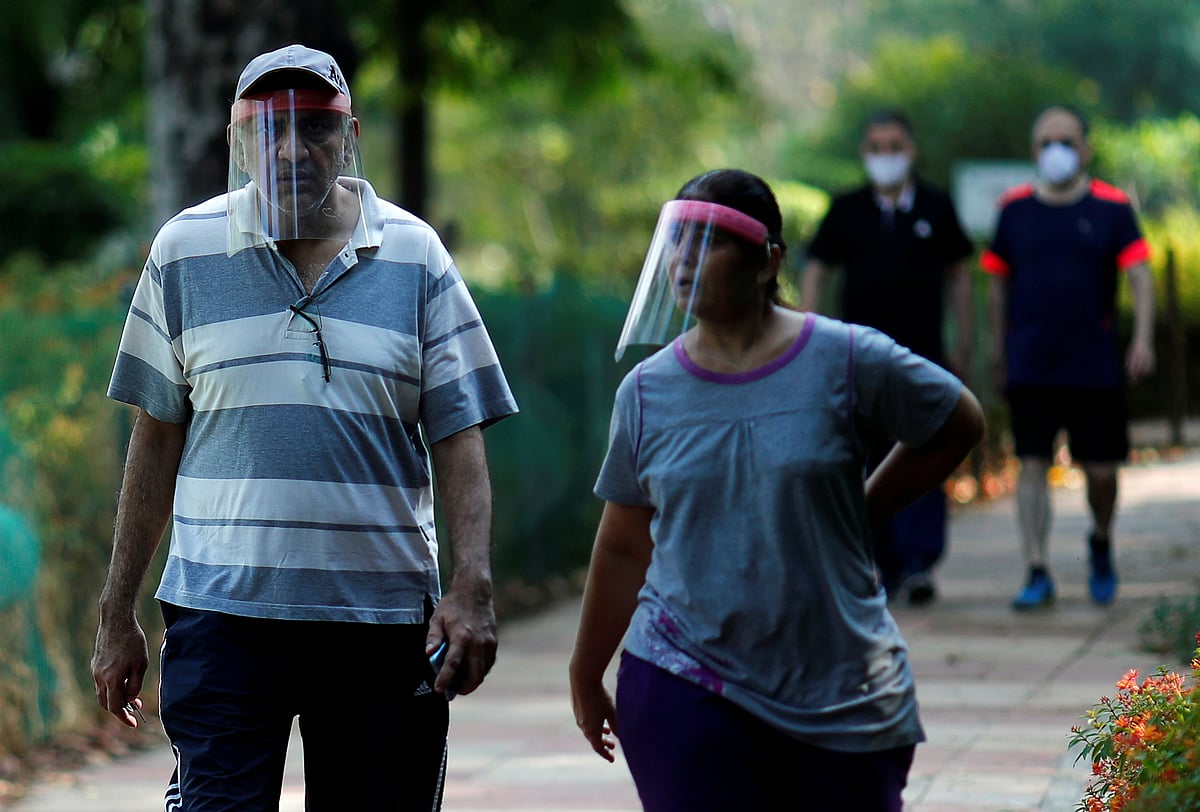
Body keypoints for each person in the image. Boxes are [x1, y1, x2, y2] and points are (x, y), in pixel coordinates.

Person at [89, 44, 518, 811]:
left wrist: (471, 588)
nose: (292, 148)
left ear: (347, 137)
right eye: (269, 130)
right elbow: (155, 437)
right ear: (241, 143)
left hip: (380, 622)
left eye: (314, 128)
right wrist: (116, 613)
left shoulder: (415, 255)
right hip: (223, 614)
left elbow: (459, 434)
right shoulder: (185, 250)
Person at [570, 169, 985, 810]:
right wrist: (585, 669)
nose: (685, 260)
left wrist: (863, 509)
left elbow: (956, 422)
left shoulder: (846, 358)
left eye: (709, 242)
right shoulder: (646, 393)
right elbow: (625, 545)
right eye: (677, 241)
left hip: (841, 685)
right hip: (683, 676)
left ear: (769, 261)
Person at [982, 104, 1154, 611]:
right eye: (1045, 142)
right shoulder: (1014, 209)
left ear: (1085, 147)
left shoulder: (1112, 207)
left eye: (1066, 141)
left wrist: (1141, 339)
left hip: (1094, 363)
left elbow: (1140, 275)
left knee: (1102, 472)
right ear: (1034, 150)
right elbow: (997, 285)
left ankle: (1101, 541)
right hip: (1031, 361)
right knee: (1031, 465)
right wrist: (998, 350)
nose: (1055, 151)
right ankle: (1036, 569)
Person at [801, 109, 976, 606]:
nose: (886, 156)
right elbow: (816, 269)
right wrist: (809, 337)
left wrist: (963, 339)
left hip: (925, 356)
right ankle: (880, 563)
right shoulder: (847, 209)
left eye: (894, 145)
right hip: (855, 361)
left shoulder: (938, 207)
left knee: (924, 450)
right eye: (876, 147)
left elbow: (960, 275)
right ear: (864, 153)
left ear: (911, 149)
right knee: (865, 458)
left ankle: (920, 563)